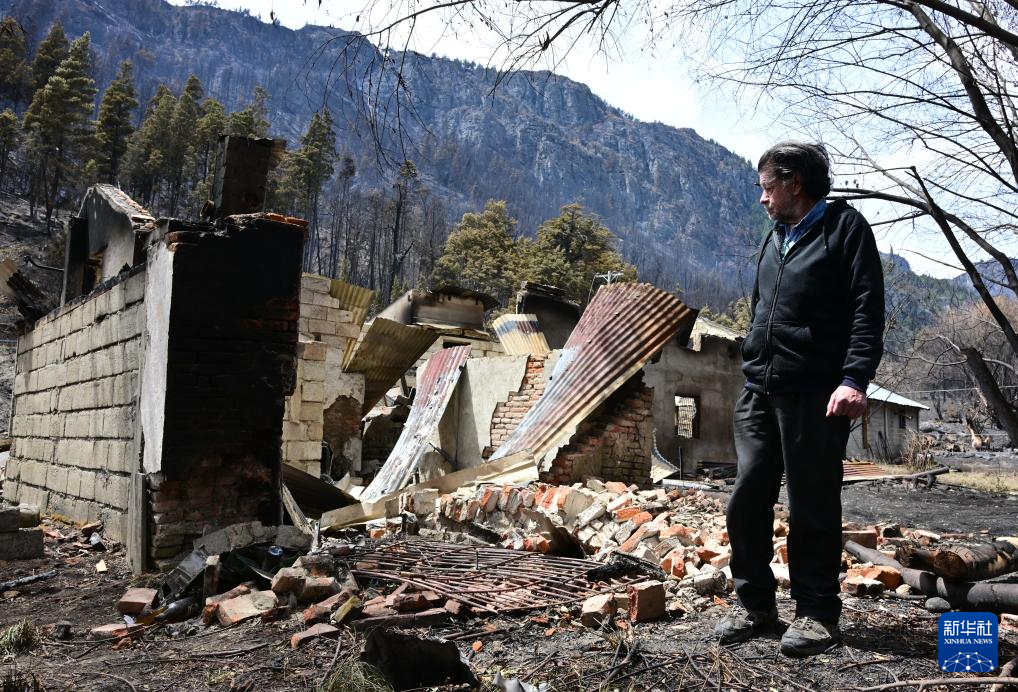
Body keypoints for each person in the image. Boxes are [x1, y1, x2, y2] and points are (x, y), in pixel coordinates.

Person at [714, 142, 884, 657]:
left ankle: (817, 613)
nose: (762, 197)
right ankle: (756, 606)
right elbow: (761, 309)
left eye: (768, 187)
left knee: (811, 502)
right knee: (746, 498)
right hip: (760, 388)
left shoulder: (844, 229)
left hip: (815, 391)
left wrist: (854, 379)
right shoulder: (775, 238)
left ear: (795, 182)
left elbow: (867, 309)